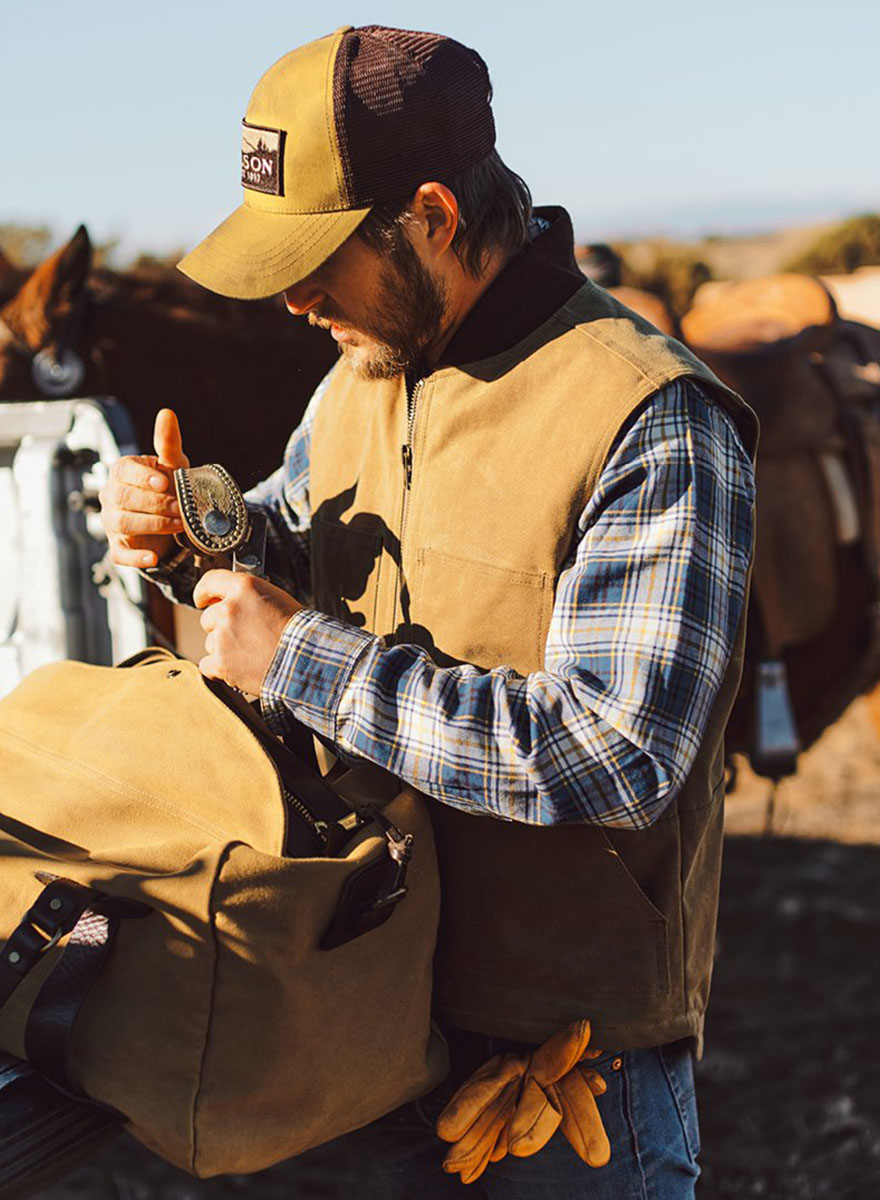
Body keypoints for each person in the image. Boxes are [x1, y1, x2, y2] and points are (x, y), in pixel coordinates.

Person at [98, 24, 756, 1199]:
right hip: (358, 1012)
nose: (292, 300)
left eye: (317, 260)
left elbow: (615, 753)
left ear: (435, 216)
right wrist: (198, 530)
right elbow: (303, 531)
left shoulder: (653, 419)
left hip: (558, 1064)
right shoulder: (366, 362)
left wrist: (296, 656)